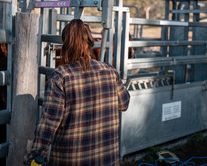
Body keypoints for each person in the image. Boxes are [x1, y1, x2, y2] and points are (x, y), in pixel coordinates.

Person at [24, 19, 130, 166]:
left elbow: (49, 123)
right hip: (108, 159)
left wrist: (35, 156)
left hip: (72, 159)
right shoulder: (109, 71)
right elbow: (124, 104)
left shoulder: (61, 77)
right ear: (90, 42)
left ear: (66, 45)